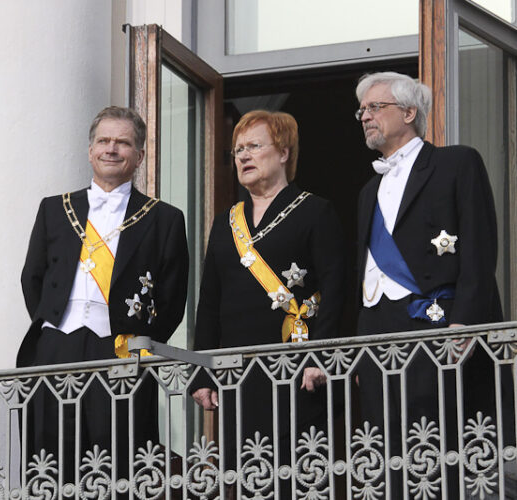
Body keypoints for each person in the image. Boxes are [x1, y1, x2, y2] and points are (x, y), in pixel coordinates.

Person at [354, 72, 503, 495]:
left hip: (437, 324)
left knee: (441, 445)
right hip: (380, 331)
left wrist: (466, 323)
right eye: (361, 110)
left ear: (409, 112)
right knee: (389, 449)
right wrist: (362, 351)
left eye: (375, 107)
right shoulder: (369, 189)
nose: (365, 116)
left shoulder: (457, 162)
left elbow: (478, 245)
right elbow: (365, 273)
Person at [18, 106, 188, 474]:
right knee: (50, 462)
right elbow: (32, 277)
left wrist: (141, 344)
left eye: (123, 143)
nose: (111, 149)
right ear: (90, 149)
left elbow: (173, 298)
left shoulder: (164, 218)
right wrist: (54, 324)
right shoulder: (55, 209)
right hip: (55, 347)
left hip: (120, 349)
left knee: (119, 459)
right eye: (104, 141)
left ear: (140, 155)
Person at [191, 110, 345, 492]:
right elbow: (209, 301)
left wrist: (320, 356)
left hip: (297, 368)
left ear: (283, 153)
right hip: (238, 371)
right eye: (238, 149)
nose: (243, 156)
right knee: (242, 477)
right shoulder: (226, 221)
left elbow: (337, 287)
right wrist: (202, 372)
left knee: (298, 476)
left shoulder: (315, 210)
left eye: (254, 146)